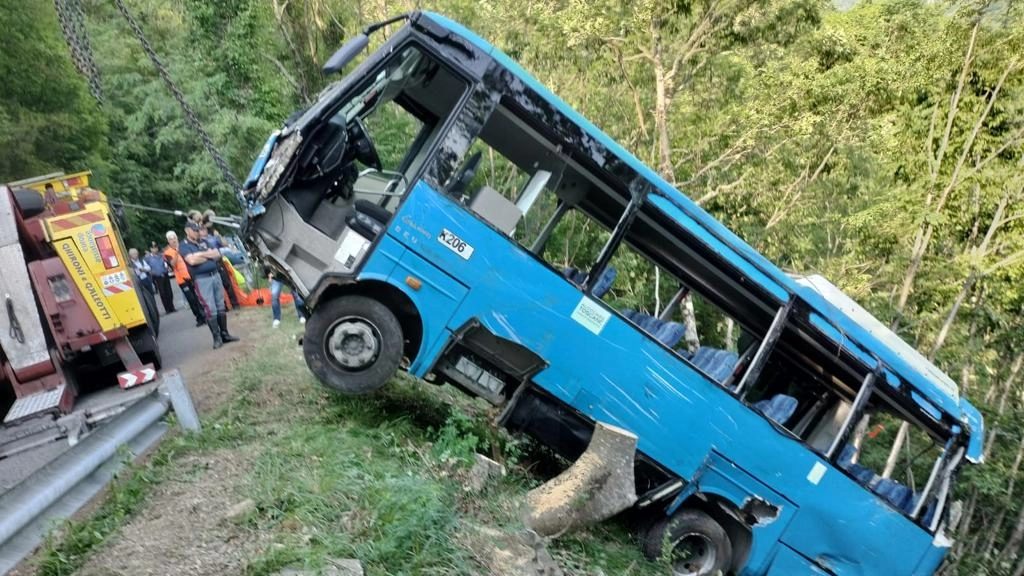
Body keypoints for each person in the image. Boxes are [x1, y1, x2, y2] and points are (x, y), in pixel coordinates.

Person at [179, 220, 239, 349]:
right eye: (195, 230)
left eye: (198, 230)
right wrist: (208, 255)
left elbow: (217, 254)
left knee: (220, 305)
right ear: (187, 231)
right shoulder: (183, 246)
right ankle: (217, 338)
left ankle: (225, 334)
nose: (198, 232)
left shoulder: (204, 242)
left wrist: (201, 254)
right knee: (210, 308)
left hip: (215, 275)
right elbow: (192, 261)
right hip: (202, 279)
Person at [164, 231, 206, 327]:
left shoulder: (184, 247)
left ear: (177, 238)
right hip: (182, 280)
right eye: (171, 239)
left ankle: (205, 315)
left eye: (174, 237)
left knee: (198, 296)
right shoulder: (167, 252)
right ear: (168, 241)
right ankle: (199, 318)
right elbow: (172, 264)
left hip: (191, 276)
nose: (173, 240)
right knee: (191, 299)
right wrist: (177, 252)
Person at [128, 247, 160, 337]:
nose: (135, 255)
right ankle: (151, 319)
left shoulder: (142, 260)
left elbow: (148, 268)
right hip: (139, 283)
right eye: (133, 254)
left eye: (136, 253)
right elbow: (135, 273)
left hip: (146, 280)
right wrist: (142, 269)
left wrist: (142, 269)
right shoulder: (130, 264)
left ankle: (156, 317)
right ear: (130, 255)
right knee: (145, 301)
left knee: (152, 299)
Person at [145, 241, 176, 314]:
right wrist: (150, 273)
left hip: (165, 274)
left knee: (169, 292)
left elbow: (167, 263)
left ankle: (172, 307)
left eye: (156, 247)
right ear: (150, 249)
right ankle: (167, 309)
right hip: (157, 277)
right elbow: (146, 267)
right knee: (162, 293)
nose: (155, 249)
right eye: (153, 248)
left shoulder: (161, 255)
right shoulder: (148, 258)